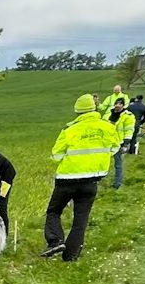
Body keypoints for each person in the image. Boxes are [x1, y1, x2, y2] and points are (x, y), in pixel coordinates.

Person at [42, 93, 118, 261]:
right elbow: (114, 148)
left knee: (54, 211)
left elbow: (56, 154)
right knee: (81, 219)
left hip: (67, 179)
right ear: (95, 108)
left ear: (78, 111)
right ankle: (71, 256)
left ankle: (55, 241)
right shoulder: (108, 128)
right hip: (91, 180)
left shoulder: (70, 130)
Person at [109, 103, 136, 189]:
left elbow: (129, 130)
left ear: (123, 105)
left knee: (118, 164)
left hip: (118, 143)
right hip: (106, 142)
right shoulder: (108, 113)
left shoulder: (128, 116)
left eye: (120, 103)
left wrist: (126, 144)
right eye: (116, 103)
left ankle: (117, 183)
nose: (117, 105)